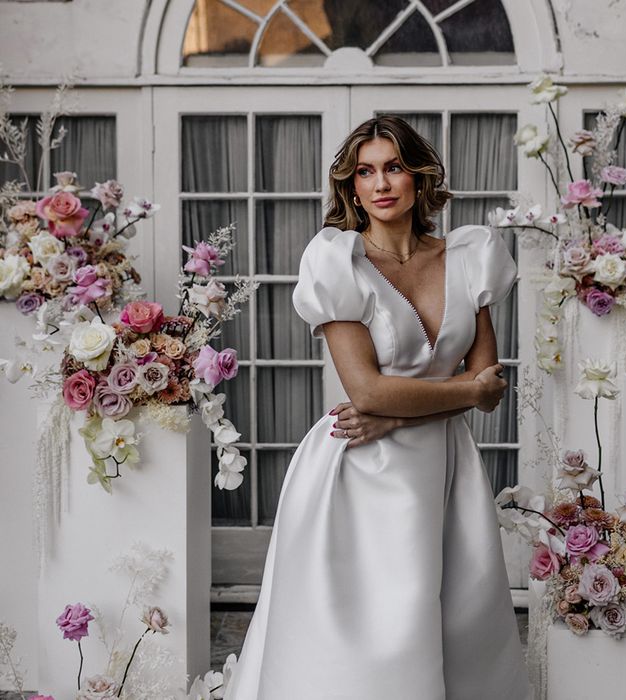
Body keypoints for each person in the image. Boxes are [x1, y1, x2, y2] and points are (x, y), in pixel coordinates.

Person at [224, 115, 531, 699]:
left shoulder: (470, 256)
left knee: (458, 625)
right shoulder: (337, 262)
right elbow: (365, 391)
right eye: (365, 172)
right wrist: (454, 394)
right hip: (358, 471)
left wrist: (398, 413)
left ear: (420, 177)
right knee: (366, 643)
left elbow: (487, 387)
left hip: (445, 470)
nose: (380, 183)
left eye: (394, 167)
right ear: (352, 186)